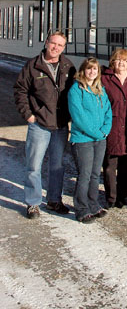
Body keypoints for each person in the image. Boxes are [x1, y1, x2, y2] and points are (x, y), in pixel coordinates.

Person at [14, 31, 75, 219]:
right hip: (39, 124)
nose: (55, 47)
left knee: (57, 165)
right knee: (34, 165)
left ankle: (54, 200)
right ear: (46, 42)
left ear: (64, 48)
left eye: (60, 45)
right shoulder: (33, 66)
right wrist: (29, 116)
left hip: (60, 125)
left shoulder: (68, 66)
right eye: (53, 43)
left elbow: (75, 93)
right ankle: (33, 202)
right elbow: (20, 91)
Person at [68, 58, 112, 223]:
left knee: (95, 174)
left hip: (100, 139)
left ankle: (93, 204)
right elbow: (78, 117)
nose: (92, 72)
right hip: (83, 140)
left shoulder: (100, 90)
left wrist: (105, 130)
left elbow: (108, 110)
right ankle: (81, 208)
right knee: (85, 174)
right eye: (89, 69)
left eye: (95, 69)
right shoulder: (76, 90)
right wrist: (96, 133)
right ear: (83, 71)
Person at [101, 49, 127, 208]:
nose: (121, 64)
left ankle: (122, 197)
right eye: (118, 60)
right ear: (112, 62)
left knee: (126, 164)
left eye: (124, 61)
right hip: (112, 126)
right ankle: (111, 197)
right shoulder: (105, 79)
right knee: (110, 166)